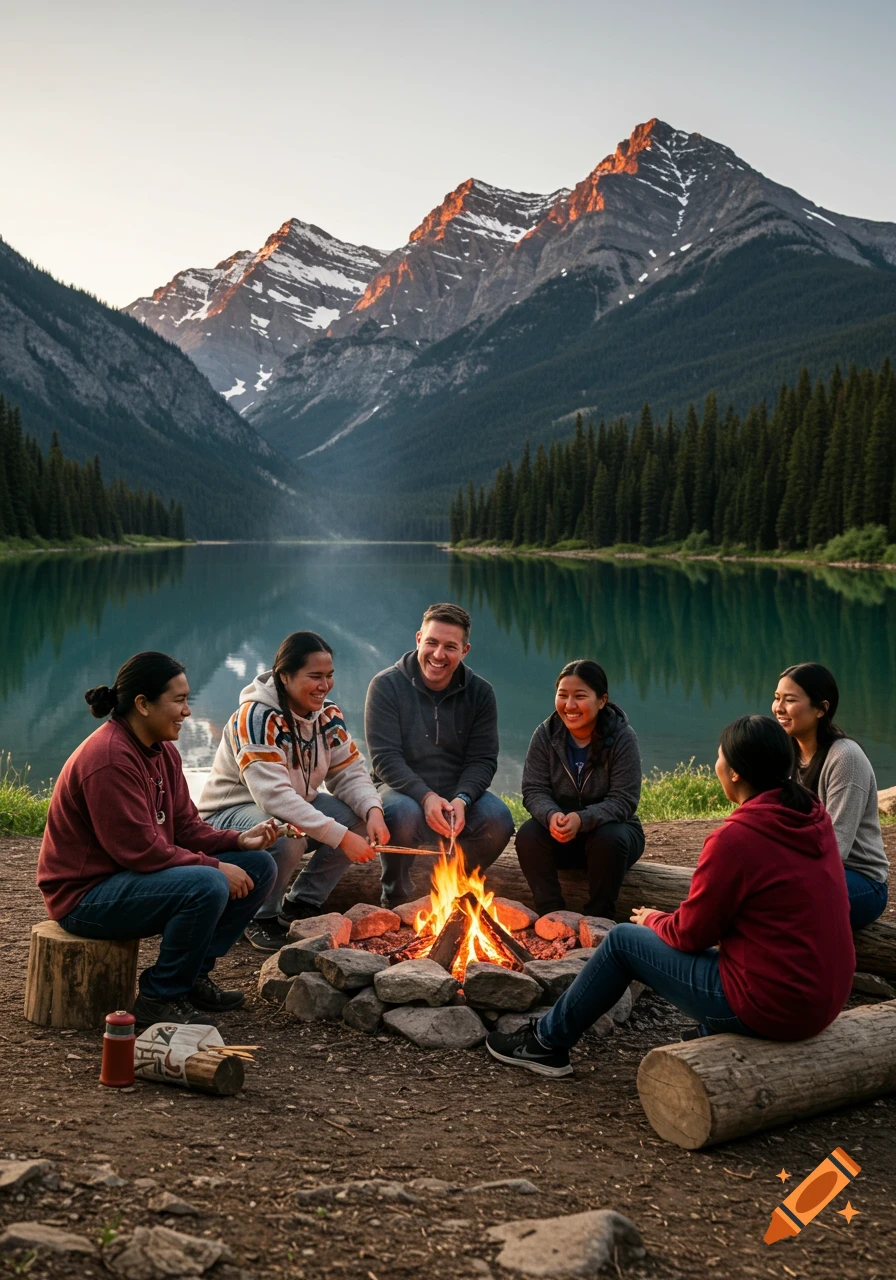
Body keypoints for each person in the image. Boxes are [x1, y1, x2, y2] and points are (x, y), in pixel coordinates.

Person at [486, 715, 855, 1077]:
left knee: (621, 941)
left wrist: (652, 920)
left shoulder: (737, 839)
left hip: (771, 1008)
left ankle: (545, 1044)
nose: (717, 764)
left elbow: (691, 934)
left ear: (736, 772)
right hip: (825, 997)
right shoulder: (810, 816)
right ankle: (715, 1030)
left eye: (719, 756)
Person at [37, 652, 279, 1028]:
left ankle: (193, 976)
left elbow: (186, 828)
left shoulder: (162, 751)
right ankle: (159, 996)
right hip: (84, 897)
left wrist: (238, 840)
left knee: (260, 866)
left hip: (128, 881)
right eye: (179, 700)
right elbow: (140, 852)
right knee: (208, 883)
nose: (187, 711)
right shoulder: (110, 759)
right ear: (143, 704)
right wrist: (215, 866)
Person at [199, 632, 388, 950]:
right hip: (229, 816)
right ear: (285, 676)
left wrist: (373, 811)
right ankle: (260, 915)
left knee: (355, 818)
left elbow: (349, 773)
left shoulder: (327, 715)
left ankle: (301, 903)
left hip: (290, 808)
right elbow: (273, 797)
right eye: (315, 676)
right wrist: (341, 838)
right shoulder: (255, 718)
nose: (324, 685)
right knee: (287, 833)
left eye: (329, 676)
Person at [364, 602, 514, 908]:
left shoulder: (480, 693)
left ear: (465, 650)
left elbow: (483, 759)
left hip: (458, 792)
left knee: (498, 819)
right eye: (431, 642)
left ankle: (453, 893)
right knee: (401, 815)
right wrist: (426, 796)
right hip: (400, 790)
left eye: (450, 646)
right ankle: (395, 897)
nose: (438, 654)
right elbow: (385, 758)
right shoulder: (386, 686)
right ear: (419, 639)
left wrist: (463, 798)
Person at [516, 660, 645, 920]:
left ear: (601, 700)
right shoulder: (545, 734)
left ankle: (599, 919)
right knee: (528, 834)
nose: (569, 705)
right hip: (562, 834)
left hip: (611, 835)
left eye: (580, 696)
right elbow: (533, 789)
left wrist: (581, 819)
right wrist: (552, 816)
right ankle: (552, 916)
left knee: (610, 838)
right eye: (562, 695)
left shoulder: (621, 737)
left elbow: (623, 800)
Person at [773, 662, 890, 929]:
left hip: (860, 880)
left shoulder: (845, 758)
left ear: (821, 709)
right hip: (809, 871)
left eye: (790, 700)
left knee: (775, 899)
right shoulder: (787, 752)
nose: (778, 708)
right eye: (777, 698)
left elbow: (835, 848)